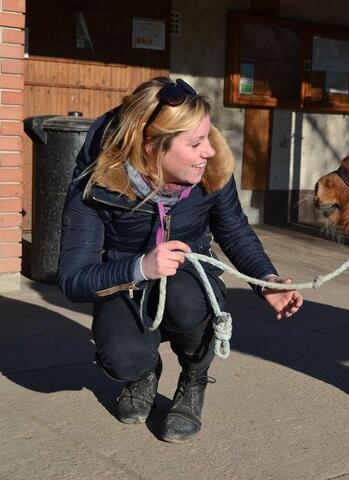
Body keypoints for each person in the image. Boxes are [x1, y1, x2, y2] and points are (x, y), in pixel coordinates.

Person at [58, 77, 303, 443]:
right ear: (151, 146)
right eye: (195, 143)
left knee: (187, 299)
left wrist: (266, 281)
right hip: (126, 279)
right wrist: (139, 267)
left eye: (207, 137)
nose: (209, 151)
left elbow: (234, 231)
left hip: (190, 276)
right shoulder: (96, 184)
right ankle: (143, 373)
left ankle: (193, 379)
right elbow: (74, 278)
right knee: (122, 358)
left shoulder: (212, 170)